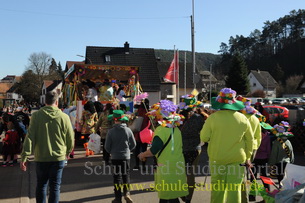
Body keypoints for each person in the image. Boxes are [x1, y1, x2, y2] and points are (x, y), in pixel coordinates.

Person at [200, 88, 254, 203]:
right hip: (237, 159)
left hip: (217, 158)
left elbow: (204, 138)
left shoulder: (212, 118)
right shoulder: (243, 118)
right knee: (235, 189)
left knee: (218, 189)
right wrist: (248, 157)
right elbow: (250, 140)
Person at [20, 91, 74, 203]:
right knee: (55, 187)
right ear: (57, 102)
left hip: (41, 157)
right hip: (58, 157)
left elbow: (29, 137)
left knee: (41, 185)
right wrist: (68, 151)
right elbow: (70, 137)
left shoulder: (36, 116)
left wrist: (24, 156)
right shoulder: (64, 117)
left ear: (45, 102)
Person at [138, 99, 188, 203]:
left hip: (166, 166)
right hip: (178, 165)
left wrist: (143, 154)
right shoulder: (176, 129)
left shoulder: (161, 130)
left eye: (156, 115)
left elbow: (153, 150)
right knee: (173, 196)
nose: (155, 117)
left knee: (166, 197)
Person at [178, 94, 206, 203]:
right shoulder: (199, 118)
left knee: (181, 173)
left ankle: (182, 193)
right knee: (191, 174)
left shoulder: (178, 118)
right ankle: (189, 198)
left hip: (180, 148)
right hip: (195, 148)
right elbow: (204, 133)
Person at [105, 110, 136, 203]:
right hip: (126, 156)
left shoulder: (111, 132)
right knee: (126, 175)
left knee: (117, 177)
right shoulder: (128, 130)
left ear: (114, 120)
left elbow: (107, 146)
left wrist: (112, 152)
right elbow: (133, 144)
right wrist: (127, 150)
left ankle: (118, 198)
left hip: (115, 157)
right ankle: (127, 193)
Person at [249, 113, 273, 201]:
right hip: (264, 158)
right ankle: (268, 195)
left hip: (254, 158)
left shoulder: (253, 135)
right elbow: (268, 149)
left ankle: (252, 196)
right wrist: (269, 158)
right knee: (264, 177)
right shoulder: (267, 136)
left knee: (253, 177)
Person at [269, 121, 294, 188]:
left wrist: (271, 163)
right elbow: (291, 152)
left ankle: (281, 190)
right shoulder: (288, 142)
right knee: (286, 179)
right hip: (287, 162)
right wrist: (292, 161)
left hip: (279, 163)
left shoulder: (276, 142)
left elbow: (274, 154)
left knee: (280, 179)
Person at [133, 98, 150, 171]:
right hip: (145, 133)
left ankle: (137, 164)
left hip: (138, 133)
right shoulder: (148, 112)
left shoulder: (137, 112)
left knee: (137, 149)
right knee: (144, 149)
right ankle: (143, 165)